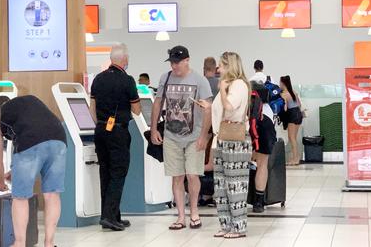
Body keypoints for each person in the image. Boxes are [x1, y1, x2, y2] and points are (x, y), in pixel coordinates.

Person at [0, 95, 67, 247]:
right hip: (59, 139)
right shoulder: (29, 102)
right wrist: (15, 170)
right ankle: (49, 243)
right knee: (52, 193)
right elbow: (38, 135)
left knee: (20, 197)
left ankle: (19, 243)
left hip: (30, 142)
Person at [150, 45, 212, 231]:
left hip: (194, 136)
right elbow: (158, 103)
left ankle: (194, 212)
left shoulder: (200, 81)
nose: (174, 66)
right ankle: (180, 216)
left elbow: (208, 110)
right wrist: (154, 129)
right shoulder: (165, 78)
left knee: (192, 175)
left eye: (177, 62)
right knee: (177, 177)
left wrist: (203, 136)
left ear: (187, 60)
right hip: (171, 136)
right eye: (172, 63)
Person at [89, 43, 141, 231]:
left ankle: (111, 215)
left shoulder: (98, 79)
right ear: (125, 60)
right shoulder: (127, 81)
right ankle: (110, 217)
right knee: (118, 173)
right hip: (118, 131)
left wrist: (100, 125)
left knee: (105, 172)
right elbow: (136, 110)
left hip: (101, 130)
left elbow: (92, 107)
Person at [208, 51, 251, 239]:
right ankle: (226, 224)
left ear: (230, 66)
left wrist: (224, 90)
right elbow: (220, 110)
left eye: (221, 65)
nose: (218, 68)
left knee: (236, 185)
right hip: (222, 139)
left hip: (235, 142)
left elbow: (230, 107)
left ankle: (239, 227)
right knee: (221, 186)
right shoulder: (227, 85)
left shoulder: (239, 85)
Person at [249, 82, 277, 213]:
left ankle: (239, 197)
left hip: (245, 126)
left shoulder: (248, 107)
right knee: (262, 164)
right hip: (266, 128)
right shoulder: (268, 110)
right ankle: (258, 202)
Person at [280, 75, 304, 166]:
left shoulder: (284, 94)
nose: (279, 84)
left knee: (292, 138)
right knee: (294, 138)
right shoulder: (294, 92)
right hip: (298, 114)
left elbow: (285, 108)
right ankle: (295, 157)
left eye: (280, 82)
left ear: (283, 83)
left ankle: (295, 159)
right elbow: (299, 105)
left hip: (292, 115)